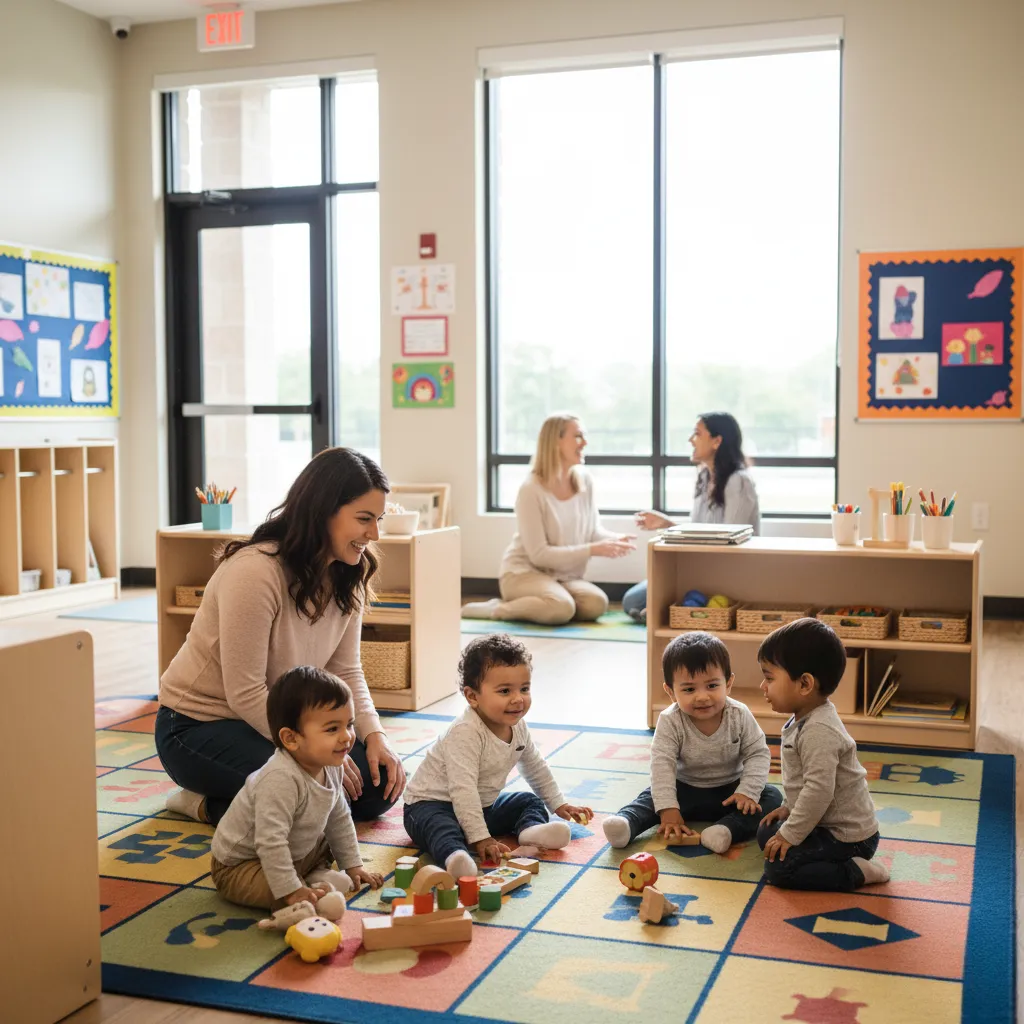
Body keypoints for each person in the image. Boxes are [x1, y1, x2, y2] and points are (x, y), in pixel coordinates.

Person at [156, 447, 407, 825]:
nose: (373, 534)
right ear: (323, 512)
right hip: (196, 727)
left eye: (379, 519)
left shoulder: (349, 572)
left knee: (377, 786)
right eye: (364, 519)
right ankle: (198, 803)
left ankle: (241, 800)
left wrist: (375, 736)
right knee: (313, 791)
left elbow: (346, 671)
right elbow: (245, 692)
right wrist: (310, 752)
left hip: (284, 723)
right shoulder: (255, 572)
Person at [403, 633, 594, 880]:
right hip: (429, 806)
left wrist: (559, 804)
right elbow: (463, 789)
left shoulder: (517, 725)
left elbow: (535, 767)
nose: (518, 699)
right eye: (505, 691)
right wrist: (481, 838)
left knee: (527, 801)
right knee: (442, 828)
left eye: (524, 688)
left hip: (480, 807)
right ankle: (455, 856)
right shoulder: (466, 732)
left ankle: (531, 830)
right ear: (472, 697)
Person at [210, 666, 384, 909]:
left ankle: (310, 877)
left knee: (328, 833)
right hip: (243, 864)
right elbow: (270, 841)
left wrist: (353, 864)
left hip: (295, 852)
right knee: (288, 897)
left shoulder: (330, 763)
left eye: (350, 724)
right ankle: (302, 885)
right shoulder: (279, 779)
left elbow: (339, 816)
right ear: (291, 739)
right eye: (333, 729)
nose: (346, 737)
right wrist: (291, 890)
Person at [603, 632, 782, 853]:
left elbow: (757, 753)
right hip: (684, 791)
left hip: (731, 793)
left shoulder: (739, 714)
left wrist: (748, 791)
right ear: (670, 691)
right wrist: (668, 808)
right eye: (689, 689)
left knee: (771, 796)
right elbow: (662, 765)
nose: (702, 696)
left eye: (712, 686)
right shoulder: (670, 720)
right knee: (652, 797)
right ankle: (626, 824)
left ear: (729, 683)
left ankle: (725, 830)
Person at [462, 413, 635, 625]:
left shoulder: (584, 481)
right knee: (561, 607)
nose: (585, 443)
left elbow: (591, 531)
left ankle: (551, 598)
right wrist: (593, 549)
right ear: (556, 442)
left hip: (563, 577)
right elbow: (539, 555)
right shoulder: (531, 489)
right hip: (523, 573)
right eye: (578, 436)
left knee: (596, 603)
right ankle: (497, 609)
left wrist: (614, 541)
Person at [756, 618, 889, 891]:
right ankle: (809, 845)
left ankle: (855, 871)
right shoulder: (804, 717)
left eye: (769, 677)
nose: (762, 686)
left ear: (805, 684)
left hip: (849, 838)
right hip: (823, 822)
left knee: (779, 869)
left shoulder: (819, 730)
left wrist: (791, 834)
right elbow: (804, 781)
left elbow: (818, 790)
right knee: (766, 832)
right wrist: (788, 809)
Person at [623, 412, 760, 623]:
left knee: (642, 604)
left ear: (717, 441)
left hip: (726, 569)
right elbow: (700, 530)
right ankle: (681, 613)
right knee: (631, 601)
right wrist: (668, 524)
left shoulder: (738, 481)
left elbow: (731, 538)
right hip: (698, 563)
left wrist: (671, 525)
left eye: (697, 433)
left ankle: (681, 614)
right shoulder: (704, 476)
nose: (690, 440)